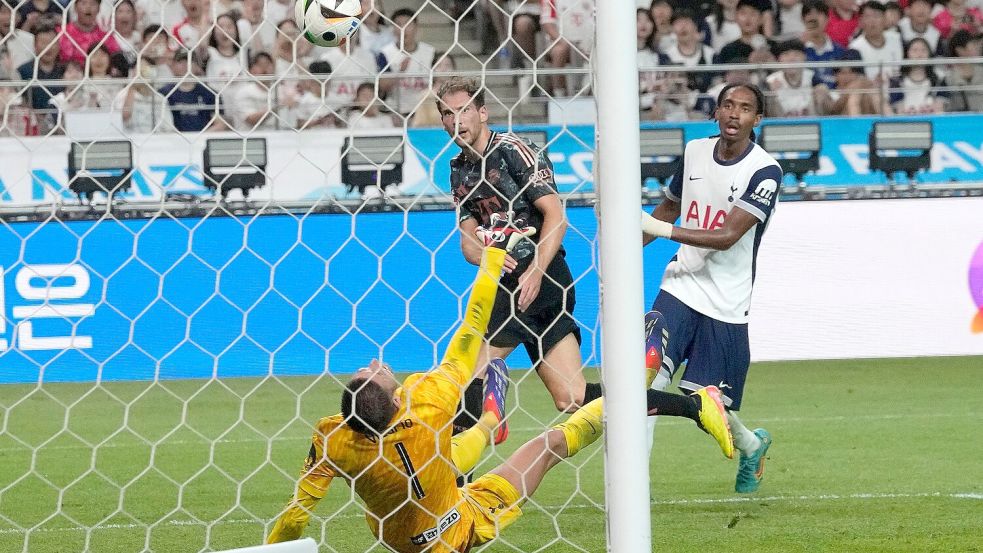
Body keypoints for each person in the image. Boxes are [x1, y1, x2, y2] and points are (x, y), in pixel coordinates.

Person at [266, 236, 734, 551]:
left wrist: (273, 547)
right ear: (392, 404)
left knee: (458, 451)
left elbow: (298, 512)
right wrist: (492, 262)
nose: (375, 364)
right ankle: (650, 396)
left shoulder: (334, 438)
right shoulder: (425, 403)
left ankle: (493, 418)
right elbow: (471, 327)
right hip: (461, 522)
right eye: (376, 374)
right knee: (547, 441)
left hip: (404, 538)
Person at [641, 82, 781, 494]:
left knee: (709, 407)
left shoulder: (765, 171)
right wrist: (629, 245)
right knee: (644, 386)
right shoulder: (695, 152)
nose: (734, 113)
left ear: (758, 119)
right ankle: (635, 490)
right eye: (727, 105)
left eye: (745, 108)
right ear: (716, 111)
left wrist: (657, 229)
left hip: (726, 301)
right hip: (681, 286)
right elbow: (670, 203)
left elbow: (726, 236)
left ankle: (751, 445)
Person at [438, 76, 601, 418]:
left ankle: (473, 439)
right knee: (571, 397)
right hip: (507, 280)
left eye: (464, 110)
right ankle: (691, 405)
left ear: (483, 113)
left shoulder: (513, 150)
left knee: (467, 379)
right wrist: (490, 255)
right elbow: (468, 245)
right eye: (447, 114)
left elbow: (555, 215)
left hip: (542, 277)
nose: (457, 120)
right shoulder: (458, 172)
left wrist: (536, 272)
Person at [848, 1, 904, 83]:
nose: (872, 21)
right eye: (867, 16)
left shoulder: (896, 39)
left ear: (885, 19)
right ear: (860, 21)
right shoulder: (855, 48)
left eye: (876, 16)